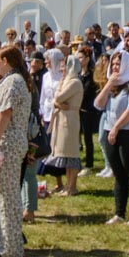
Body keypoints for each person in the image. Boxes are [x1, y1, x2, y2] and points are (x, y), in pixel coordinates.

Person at [0, 45, 33, 257]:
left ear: (7, 61)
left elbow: (5, 112)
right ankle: (1, 244)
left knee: (7, 198)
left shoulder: (13, 81)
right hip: (4, 143)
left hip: (6, 144)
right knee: (0, 196)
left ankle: (11, 247)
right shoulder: (10, 81)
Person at [95, 36, 129, 225]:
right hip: (111, 132)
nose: (115, 67)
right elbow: (98, 104)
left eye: (119, 63)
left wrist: (116, 128)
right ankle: (119, 213)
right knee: (119, 175)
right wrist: (109, 84)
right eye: (113, 64)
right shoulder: (113, 85)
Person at [48, 53, 84, 197]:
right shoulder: (66, 81)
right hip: (62, 119)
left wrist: (57, 99)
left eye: (65, 66)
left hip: (70, 121)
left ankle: (72, 187)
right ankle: (68, 186)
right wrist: (57, 101)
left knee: (71, 154)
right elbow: (55, 100)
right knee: (66, 155)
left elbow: (58, 97)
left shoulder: (75, 82)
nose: (62, 70)